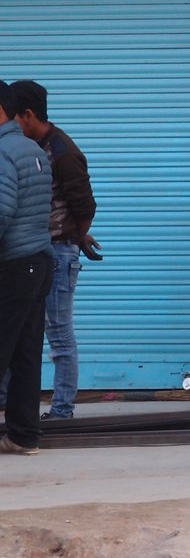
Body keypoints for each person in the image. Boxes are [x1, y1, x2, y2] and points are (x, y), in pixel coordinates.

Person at [7, 81, 97, 420]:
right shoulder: (35, 145)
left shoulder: (62, 151)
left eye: (13, 118)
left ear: (28, 116)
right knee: (21, 330)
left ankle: (62, 411)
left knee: (59, 334)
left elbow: (85, 205)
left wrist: (76, 236)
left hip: (58, 252)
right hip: (40, 252)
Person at [0, 81, 54, 455]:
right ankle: (23, 436)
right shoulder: (30, 148)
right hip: (38, 262)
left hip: (14, 267)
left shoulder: (3, 151)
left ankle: (22, 435)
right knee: (25, 354)